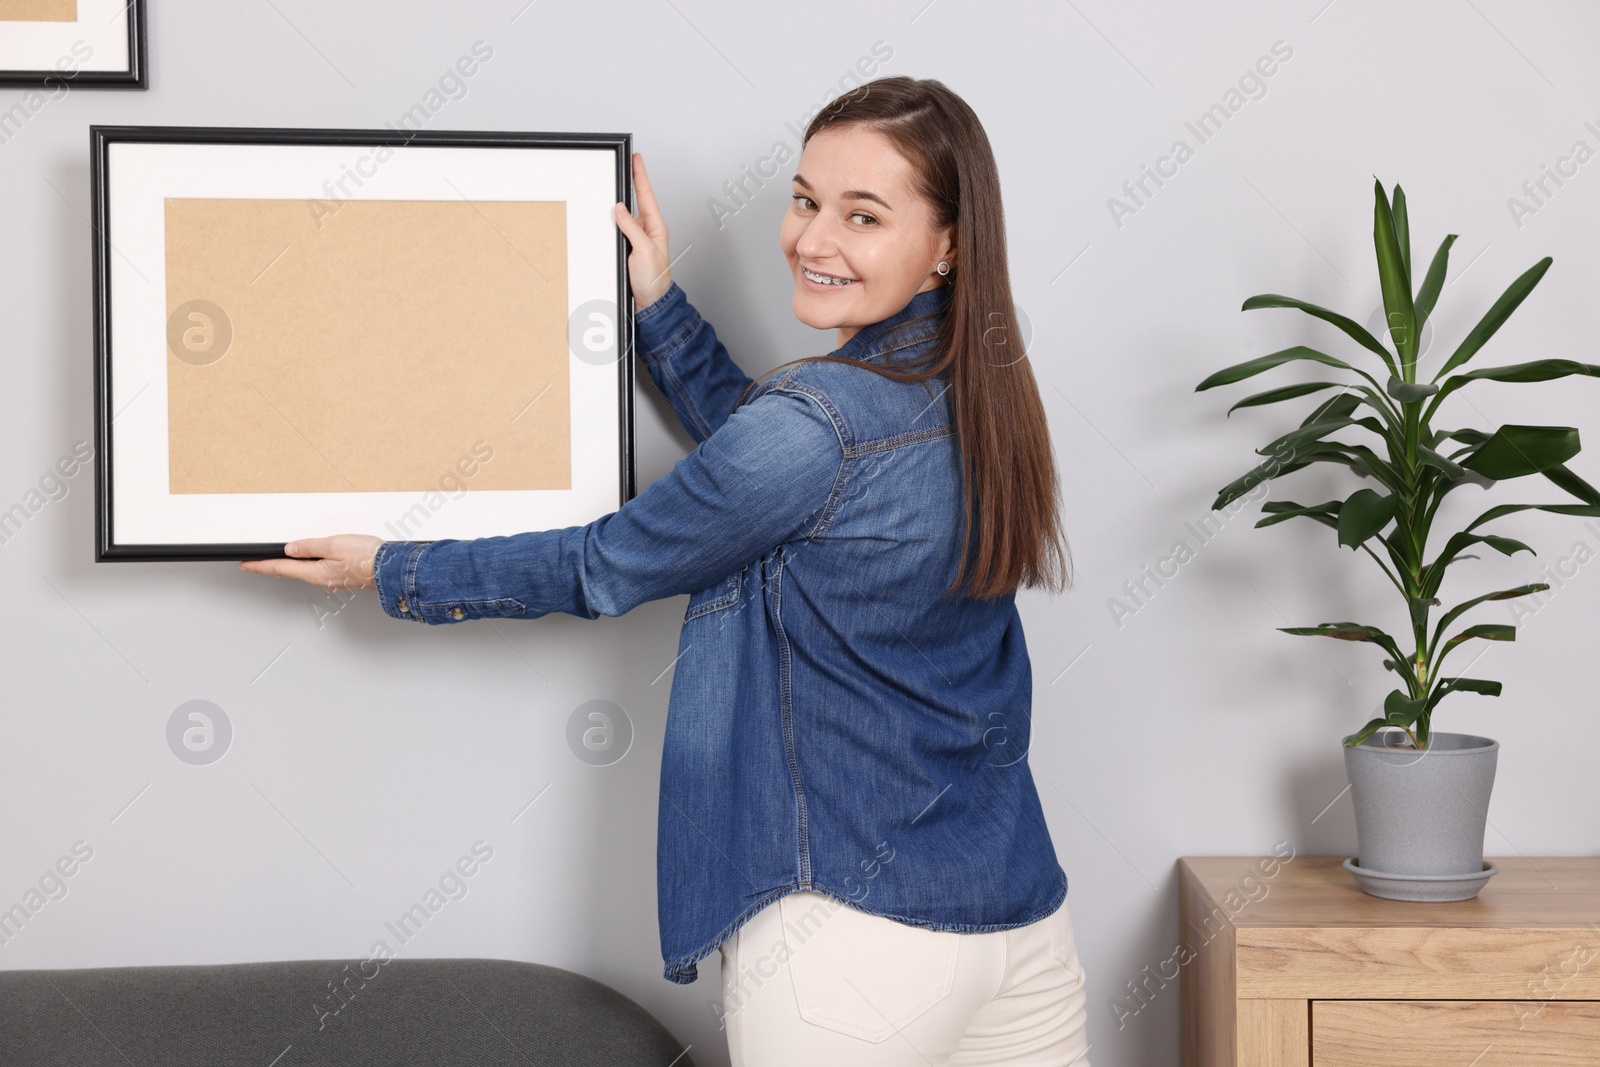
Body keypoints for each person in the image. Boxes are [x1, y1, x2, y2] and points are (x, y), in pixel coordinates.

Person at [241, 75, 1088, 1066]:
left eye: (863, 215)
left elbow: (606, 563)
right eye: (806, 199)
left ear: (947, 243)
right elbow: (762, 479)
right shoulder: (977, 393)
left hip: (853, 943)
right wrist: (661, 306)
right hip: (1018, 922)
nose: (813, 239)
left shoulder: (821, 425)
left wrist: (389, 568)